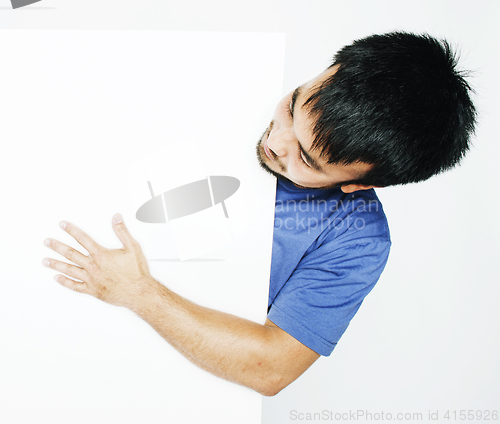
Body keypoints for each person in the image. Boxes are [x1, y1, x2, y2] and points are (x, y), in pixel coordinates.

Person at [42, 32, 476, 397]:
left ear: (361, 183)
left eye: (305, 160)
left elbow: (271, 368)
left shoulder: (356, 239)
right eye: (292, 108)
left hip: (150, 390)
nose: (278, 142)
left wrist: (140, 294)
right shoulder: (223, 82)